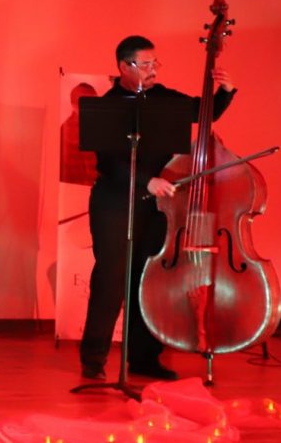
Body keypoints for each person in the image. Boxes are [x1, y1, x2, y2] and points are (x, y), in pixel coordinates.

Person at [79, 35, 236, 381]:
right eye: (145, 64)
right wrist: (145, 181)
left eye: (155, 63)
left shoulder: (164, 99)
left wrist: (224, 91)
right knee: (111, 279)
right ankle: (93, 359)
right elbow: (109, 160)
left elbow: (205, 112)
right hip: (114, 202)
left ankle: (144, 359)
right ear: (124, 67)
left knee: (145, 280)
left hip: (155, 205)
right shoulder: (108, 106)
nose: (153, 70)